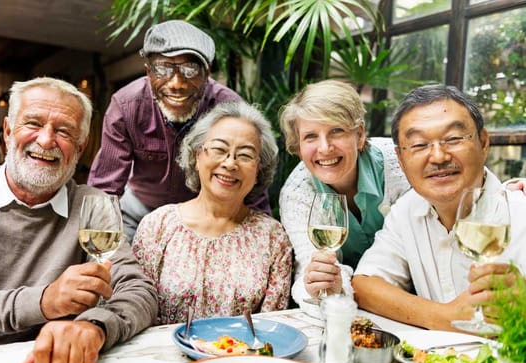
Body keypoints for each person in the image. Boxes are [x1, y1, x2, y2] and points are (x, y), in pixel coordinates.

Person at [0, 77, 158, 363]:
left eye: (64, 131)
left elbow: (138, 290)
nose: (47, 140)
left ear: (80, 148)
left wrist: (96, 325)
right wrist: (44, 301)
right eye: (33, 124)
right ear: (9, 132)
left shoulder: (93, 204)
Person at [352, 84, 526, 331]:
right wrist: (444, 318)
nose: (438, 157)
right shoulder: (406, 210)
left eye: (453, 139)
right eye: (419, 145)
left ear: (483, 143)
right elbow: (365, 284)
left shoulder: (519, 212)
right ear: (401, 159)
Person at [87, 20, 270, 242]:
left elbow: (249, 179)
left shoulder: (228, 107)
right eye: (162, 69)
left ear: (207, 72)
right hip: (138, 211)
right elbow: (106, 187)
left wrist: (262, 239)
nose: (176, 83)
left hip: (204, 216)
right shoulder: (126, 105)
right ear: (148, 71)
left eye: (189, 70)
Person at [131, 101, 293, 324]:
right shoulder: (157, 225)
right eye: (219, 149)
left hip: (241, 356)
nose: (229, 163)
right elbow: (136, 307)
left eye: (245, 155)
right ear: (198, 156)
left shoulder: (272, 237)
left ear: (258, 170)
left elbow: (272, 325)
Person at [278, 80, 409, 310]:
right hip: (347, 308)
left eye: (336, 131)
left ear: (359, 136)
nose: (325, 147)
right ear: (298, 147)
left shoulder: (399, 164)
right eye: (310, 136)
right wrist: (320, 281)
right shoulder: (297, 193)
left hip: (413, 298)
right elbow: (308, 269)